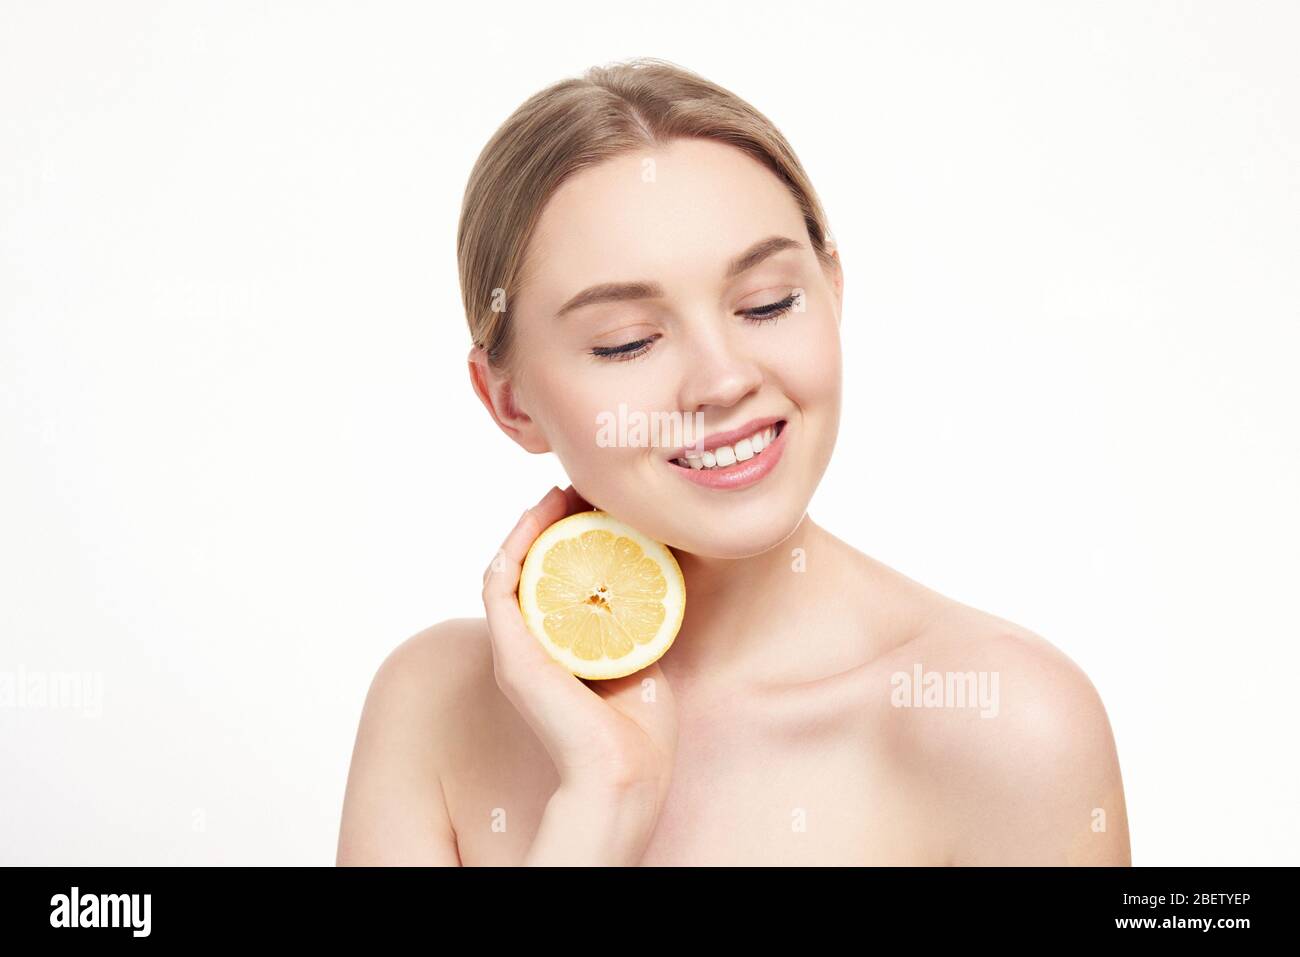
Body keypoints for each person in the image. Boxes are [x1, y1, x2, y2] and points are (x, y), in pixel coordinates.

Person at [336, 57, 1131, 866]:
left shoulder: (1007, 723)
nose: (723, 380)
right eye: (628, 342)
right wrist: (602, 805)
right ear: (508, 401)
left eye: (767, 303)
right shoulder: (434, 710)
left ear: (832, 290)